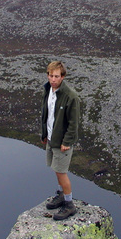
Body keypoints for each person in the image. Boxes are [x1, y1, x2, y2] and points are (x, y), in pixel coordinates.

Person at [41, 61, 81, 220]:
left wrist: (67, 142)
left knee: (62, 172)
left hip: (62, 142)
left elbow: (73, 123)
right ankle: (61, 195)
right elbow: (47, 115)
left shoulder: (71, 96)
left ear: (62, 77)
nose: (53, 79)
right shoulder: (48, 90)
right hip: (51, 138)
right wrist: (44, 134)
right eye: (51, 75)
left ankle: (69, 205)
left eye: (56, 76)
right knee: (56, 169)